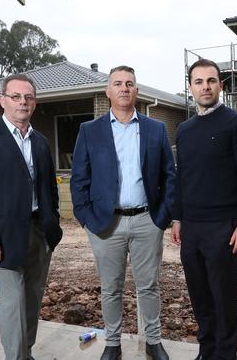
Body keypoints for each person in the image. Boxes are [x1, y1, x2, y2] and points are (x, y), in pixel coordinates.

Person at [70, 65, 175, 360]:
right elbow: (79, 178)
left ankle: (153, 341)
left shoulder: (155, 129)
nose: (124, 88)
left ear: (136, 91)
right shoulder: (90, 131)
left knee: (149, 286)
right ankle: (112, 343)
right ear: (108, 91)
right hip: (106, 223)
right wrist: (86, 218)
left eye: (129, 83)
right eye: (117, 83)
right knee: (111, 288)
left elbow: (169, 175)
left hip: (146, 221)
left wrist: (163, 216)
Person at [0, 73, 63, 360]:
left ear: (35, 103)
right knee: (14, 302)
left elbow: (49, 189)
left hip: (39, 232)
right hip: (3, 237)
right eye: (16, 97)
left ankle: (25, 352)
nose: (22, 102)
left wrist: (52, 225)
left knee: (32, 300)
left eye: (28, 97)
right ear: (2, 100)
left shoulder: (40, 141)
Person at [171, 59, 237, 360]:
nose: (205, 86)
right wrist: (178, 217)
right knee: (200, 296)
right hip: (191, 228)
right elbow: (183, 176)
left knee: (223, 297)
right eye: (198, 81)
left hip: (224, 227)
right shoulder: (184, 130)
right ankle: (206, 351)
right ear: (190, 87)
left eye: (211, 80)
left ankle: (225, 355)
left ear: (221, 85)